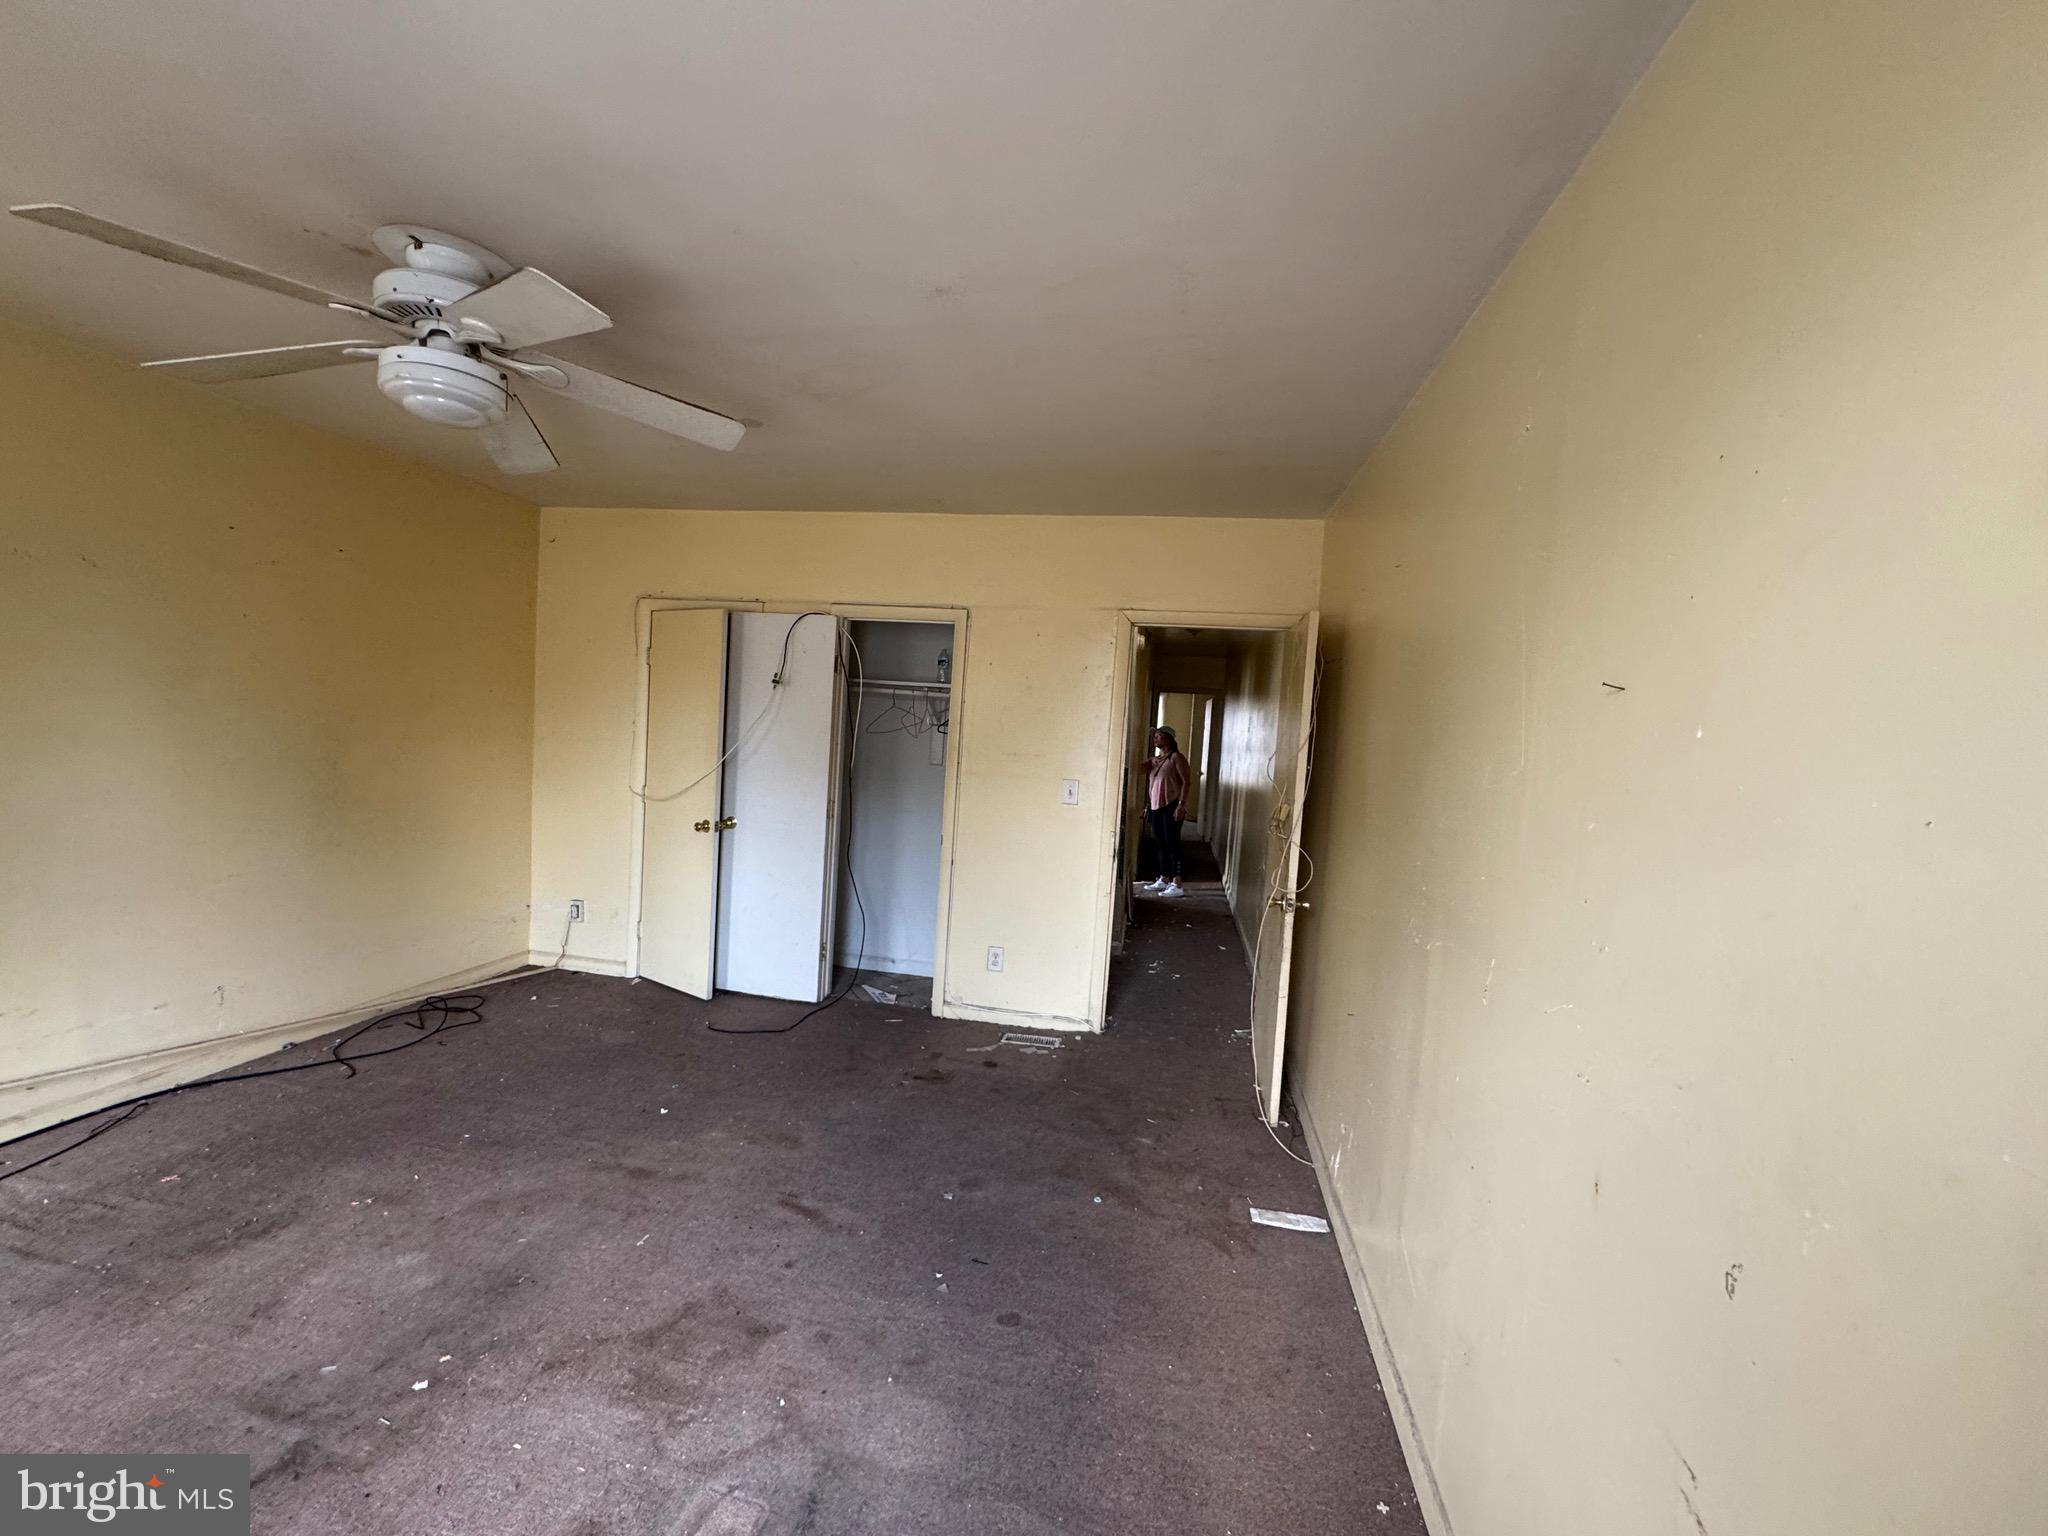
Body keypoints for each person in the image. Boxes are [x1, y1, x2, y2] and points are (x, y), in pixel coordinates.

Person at [1141, 725, 1193, 897]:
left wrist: (1181, 805)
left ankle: (1177, 883)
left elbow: (1186, 782)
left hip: (1171, 805)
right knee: (1161, 844)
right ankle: (1163, 878)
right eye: (1154, 736)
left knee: (1172, 844)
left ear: (1169, 739)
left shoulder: (1176, 758)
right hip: (1156, 806)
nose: (1155, 739)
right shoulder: (1156, 760)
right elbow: (1139, 769)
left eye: (1159, 736)